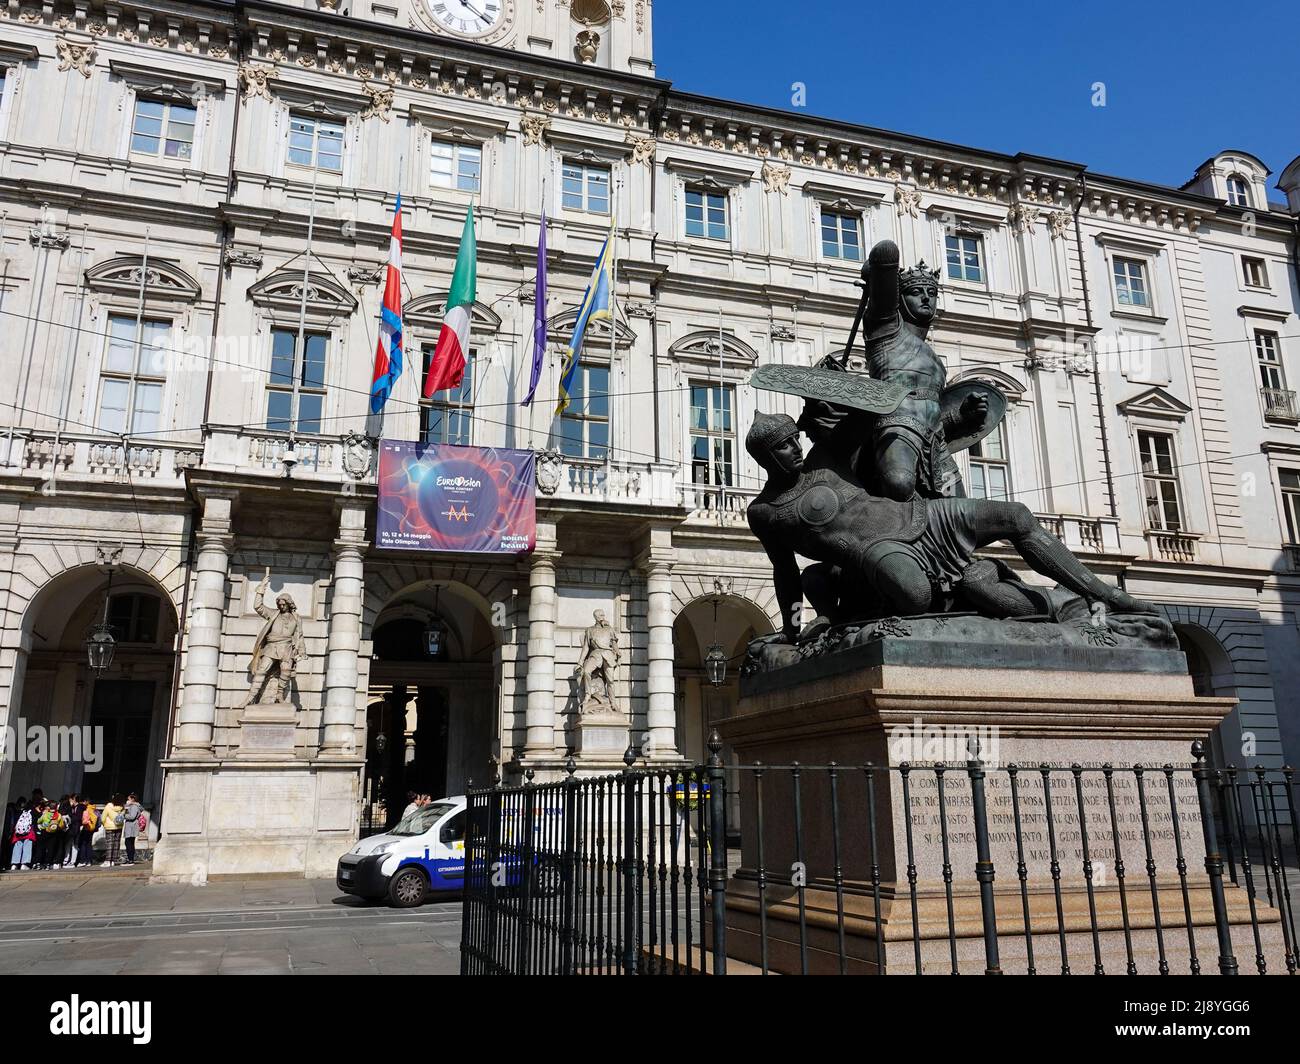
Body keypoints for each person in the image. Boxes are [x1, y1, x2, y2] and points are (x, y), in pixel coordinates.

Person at [745, 411, 1157, 638]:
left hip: (922, 516)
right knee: (916, 596)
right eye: (783, 446)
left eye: (794, 439)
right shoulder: (766, 512)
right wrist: (793, 625)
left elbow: (873, 407)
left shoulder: (823, 460)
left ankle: (1106, 595)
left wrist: (828, 390)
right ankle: (1052, 603)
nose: (794, 448)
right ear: (764, 457)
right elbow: (786, 573)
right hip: (878, 550)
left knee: (1016, 516)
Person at [238, 572, 306, 708]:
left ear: (289, 604)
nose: (281, 607)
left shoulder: (296, 618)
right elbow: (258, 607)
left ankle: (280, 695)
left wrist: (302, 651)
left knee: (286, 670)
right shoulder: (273, 613)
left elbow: (299, 635)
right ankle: (250, 698)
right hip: (271, 646)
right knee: (261, 670)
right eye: (279, 604)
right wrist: (261, 588)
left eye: (283, 604)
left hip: (286, 648)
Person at [9, 800, 34, 871]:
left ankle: (14, 864)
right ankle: (24, 864)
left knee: (17, 847)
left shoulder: (20, 812)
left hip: (18, 834)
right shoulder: (32, 812)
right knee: (27, 847)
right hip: (28, 833)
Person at [101, 795, 124, 867]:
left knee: (109, 844)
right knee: (116, 844)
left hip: (109, 827)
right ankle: (114, 860)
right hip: (119, 827)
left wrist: (104, 824)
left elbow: (103, 818)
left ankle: (108, 860)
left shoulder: (108, 807)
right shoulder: (122, 807)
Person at [122, 793, 142, 865]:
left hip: (131, 827)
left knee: (129, 843)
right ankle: (130, 859)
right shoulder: (131, 806)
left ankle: (131, 859)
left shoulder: (134, 806)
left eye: (128, 799)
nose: (127, 800)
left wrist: (124, 815)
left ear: (132, 799)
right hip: (130, 826)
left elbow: (132, 816)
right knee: (129, 843)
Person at [78, 802, 98, 867]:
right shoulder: (95, 810)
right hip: (92, 829)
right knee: (89, 845)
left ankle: (83, 861)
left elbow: (84, 821)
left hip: (85, 828)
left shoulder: (86, 810)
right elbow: (99, 820)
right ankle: (89, 861)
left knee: (83, 844)